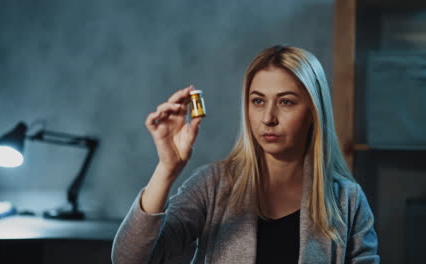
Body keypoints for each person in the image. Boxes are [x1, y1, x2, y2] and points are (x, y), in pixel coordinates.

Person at [111, 45, 380, 263]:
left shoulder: (347, 200)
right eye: (258, 101)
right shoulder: (213, 185)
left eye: (286, 102)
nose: (268, 118)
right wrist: (166, 168)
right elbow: (129, 259)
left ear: (313, 112)